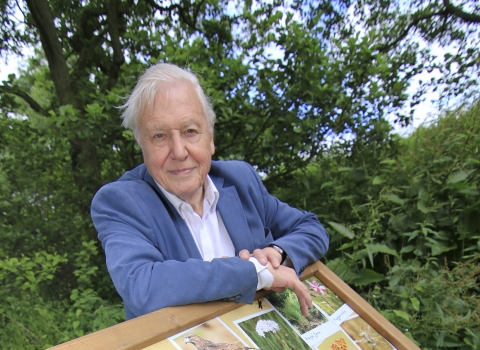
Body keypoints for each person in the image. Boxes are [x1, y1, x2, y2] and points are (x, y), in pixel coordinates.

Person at [91, 63, 329, 320]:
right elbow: (142, 285)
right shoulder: (120, 202)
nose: (179, 152)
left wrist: (278, 252)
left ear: (211, 134)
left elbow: (311, 227)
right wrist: (256, 272)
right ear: (140, 141)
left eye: (190, 131)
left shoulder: (240, 179)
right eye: (159, 136)